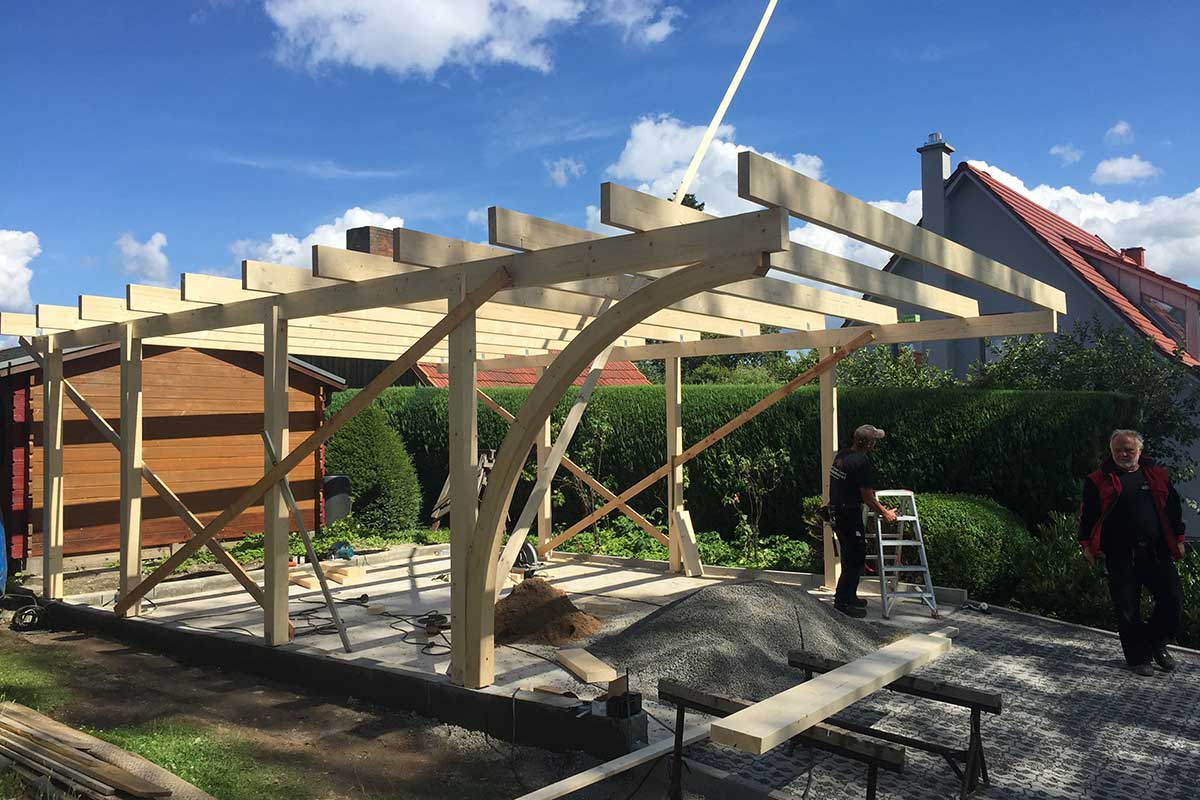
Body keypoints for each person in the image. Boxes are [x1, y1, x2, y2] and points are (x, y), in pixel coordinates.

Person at [1078, 429, 1186, 676]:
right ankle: (1139, 659)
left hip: (1156, 553)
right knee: (1127, 611)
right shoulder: (1097, 480)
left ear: (1139, 450)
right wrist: (1086, 546)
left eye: (1129, 450)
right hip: (1120, 555)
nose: (1124, 454)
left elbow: (1173, 510)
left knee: (1173, 600)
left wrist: (1179, 539)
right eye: (1118, 450)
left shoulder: (1157, 475)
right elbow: (1088, 516)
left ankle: (1157, 643)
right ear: (1111, 451)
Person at [828, 424, 897, 618]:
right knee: (854, 559)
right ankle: (842, 603)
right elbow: (867, 496)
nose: (875, 444)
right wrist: (885, 513)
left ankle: (850, 596)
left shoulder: (842, 455)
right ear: (869, 444)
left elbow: (850, 484)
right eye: (874, 441)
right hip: (849, 514)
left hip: (837, 512)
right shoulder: (862, 462)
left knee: (850, 556)